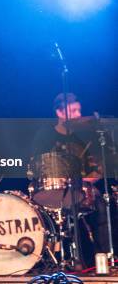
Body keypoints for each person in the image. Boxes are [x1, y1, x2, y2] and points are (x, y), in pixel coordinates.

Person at [31, 93, 112, 263]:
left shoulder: (86, 136)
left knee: (104, 204)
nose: (78, 115)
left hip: (83, 188)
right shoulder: (45, 135)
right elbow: (36, 167)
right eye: (73, 111)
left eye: (79, 110)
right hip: (54, 189)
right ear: (60, 113)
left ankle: (104, 260)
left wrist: (91, 179)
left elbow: (98, 167)